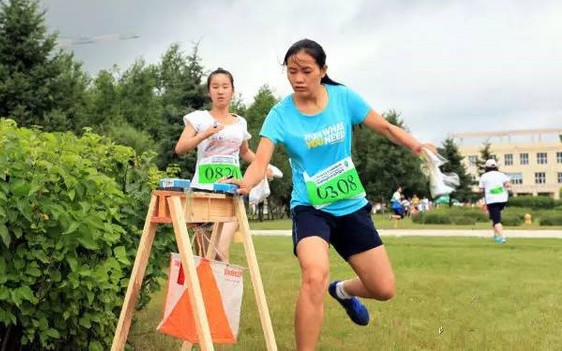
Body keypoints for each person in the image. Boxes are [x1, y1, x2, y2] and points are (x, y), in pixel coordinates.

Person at [224, 39, 435, 350]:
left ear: (323, 71)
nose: (298, 78)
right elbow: (260, 161)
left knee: (384, 287)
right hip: (310, 208)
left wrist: (417, 145)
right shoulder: (280, 114)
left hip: (350, 205)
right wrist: (244, 183)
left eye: (306, 71)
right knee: (314, 275)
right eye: (291, 71)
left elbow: (386, 128)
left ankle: (343, 291)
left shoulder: (343, 97)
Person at [175, 67, 270, 261]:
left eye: (225, 86)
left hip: (231, 192)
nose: (220, 91)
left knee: (219, 251)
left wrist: (262, 166)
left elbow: (244, 152)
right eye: (215, 87)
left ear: (232, 91)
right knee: (204, 256)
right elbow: (180, 148)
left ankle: (225, 291)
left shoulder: (240, 122)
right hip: (203, 191)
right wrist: (205, 134)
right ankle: (210, 292)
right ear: (209, 91)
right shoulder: (199, 118)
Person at [478, 159, 511, 244]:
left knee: (497, 220)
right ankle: (495, 236)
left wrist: (482, 199)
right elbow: (508, 185)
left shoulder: (484, 176)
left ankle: (501, 237)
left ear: (487, 167)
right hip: (503, 199)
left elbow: (481, 190)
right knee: (494, 217)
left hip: (492, 200)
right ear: (496, 166)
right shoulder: (501, 175)